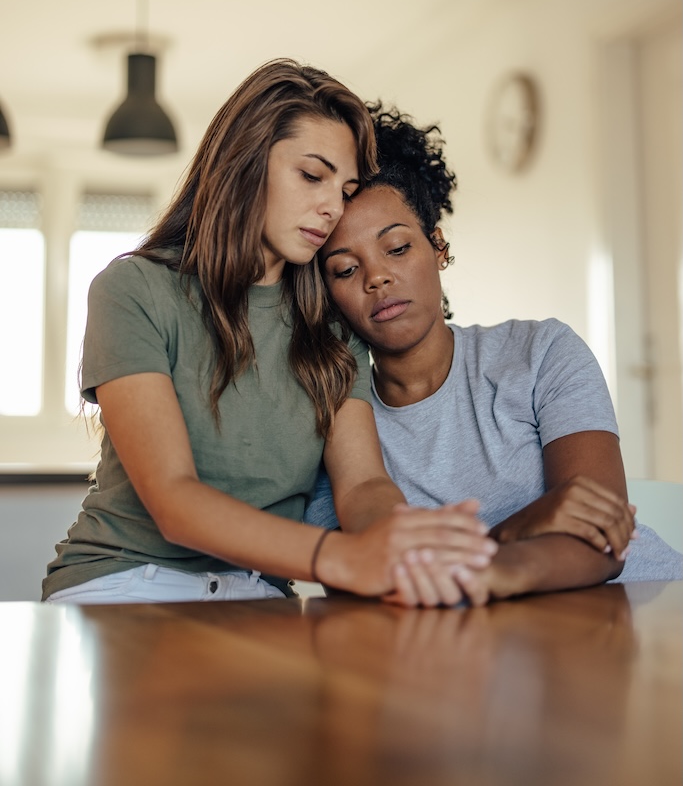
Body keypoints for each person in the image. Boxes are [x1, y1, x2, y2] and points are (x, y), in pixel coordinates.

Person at [43, 59, 495, 607]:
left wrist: (401, 542)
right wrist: (341, 558)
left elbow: (362, 487)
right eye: (312, 175)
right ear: (245, 163)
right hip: (124, 581)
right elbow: (174, 501)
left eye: (346, 188)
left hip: (257, 594)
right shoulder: (133, 289)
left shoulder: (329, 322)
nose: (332, 207)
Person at [305, 103, 682, 605]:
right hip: (483, 647)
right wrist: (519, 527)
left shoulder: (541, 352)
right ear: (325, 292)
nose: (377, 277)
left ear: (437, 247)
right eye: (346, 270)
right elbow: (366, 576)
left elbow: (602, 533)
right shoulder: (335, 430)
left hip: (645, 609)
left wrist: (478, 567)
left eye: (397, 248)